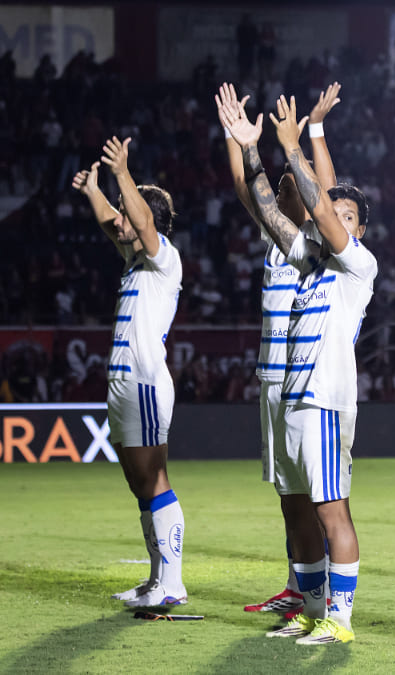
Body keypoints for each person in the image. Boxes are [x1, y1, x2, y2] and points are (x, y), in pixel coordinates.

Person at [219, 93, 377, 645]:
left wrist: (295, 144)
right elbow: (266, 208)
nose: (336, 219)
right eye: (335, 211)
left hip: (327, 403)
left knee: (333, 511)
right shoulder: (308, 263)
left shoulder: (358, 265)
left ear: (358, 230)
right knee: (302, 510)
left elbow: (323, 211)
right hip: (291, 400)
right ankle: (311, 613)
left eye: (348, 216)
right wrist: (251, 152)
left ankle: (341, 620)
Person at [72, 138, 186, 608]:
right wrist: (94, 192)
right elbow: (112, 224)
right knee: (140, 486)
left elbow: (135, 219)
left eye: (127, 211)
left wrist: (123, 174)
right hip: (122, 385)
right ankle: (155, 580)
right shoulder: (135, 259)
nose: (120, 219)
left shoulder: (164, 259)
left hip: (143, 383)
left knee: (155, 480)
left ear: (149, 222)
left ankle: (172, 584)